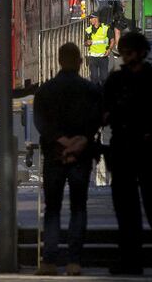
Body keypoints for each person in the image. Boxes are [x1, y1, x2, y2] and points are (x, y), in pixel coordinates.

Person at [103, 32, 152, 275]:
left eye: (128, 52)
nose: (126, 57)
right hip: (140, 149)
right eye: (124, 53)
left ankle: (138, 260)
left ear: (139, 53)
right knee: (143, 208)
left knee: (145, 208)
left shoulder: (120, 81)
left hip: (133, 148)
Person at [34, 43, 102, 276]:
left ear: (59, 60)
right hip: (81, 155)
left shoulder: (46, 90)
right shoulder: (90, 89)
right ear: (80, 61)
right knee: (78, 207)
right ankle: (74, 261)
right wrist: (80, 141)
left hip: (54, 155)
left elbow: (41, 123)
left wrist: (62, 141)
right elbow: (97, 118)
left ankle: (49, 261)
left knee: (52, 208)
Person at [85, 11, 115, 85]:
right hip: (93, 57)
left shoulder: (106, 29)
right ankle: (96, 93)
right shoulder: (88, 30)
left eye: (91, 18)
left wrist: (109, 49)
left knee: (104, 78)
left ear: (96, 18)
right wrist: (87, 43)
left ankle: (103, 92)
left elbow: (112, 40)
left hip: (103, 57)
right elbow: (85, 43)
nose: (90, 20)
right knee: (94, 78)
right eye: (90, 19)